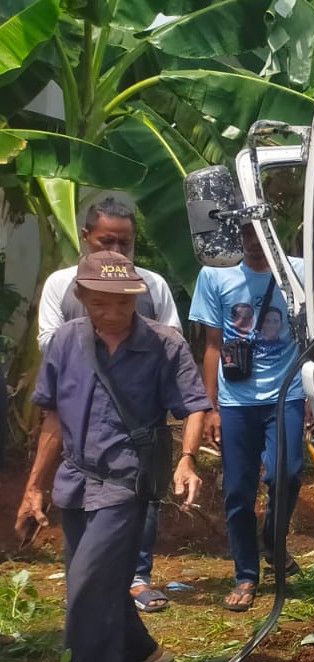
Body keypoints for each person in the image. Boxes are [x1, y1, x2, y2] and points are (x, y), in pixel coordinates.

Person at [14, 251, 210, 662]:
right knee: (97, 578)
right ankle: (142, 654)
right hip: (76, 480)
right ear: (81, 296)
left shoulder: (165, 344)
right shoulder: (65, 342)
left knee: (86, 591)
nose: (113, 313)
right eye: (100, 303)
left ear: (137, 299)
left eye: (124, 303)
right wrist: (34, 488)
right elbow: (53, 420)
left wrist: (187, 459)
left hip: (126, 482)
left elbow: (194, 405)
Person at [37, 197, 182, 614]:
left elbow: (169, 340)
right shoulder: (60, 285)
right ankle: (96, 587)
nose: (117, 252)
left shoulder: (152, 285)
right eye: (106, 241)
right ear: (85, 237)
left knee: (140, 495)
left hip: (139, 415)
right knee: (81, 500)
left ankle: (137, 577)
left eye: (126, 243)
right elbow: (50, 341)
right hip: (81, 413)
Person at [189, 223, 305, 612]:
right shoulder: (215, 276)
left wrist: (312, 397)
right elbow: (212, 345)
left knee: (285, 474)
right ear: (236, 236)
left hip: (286, 394)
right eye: (246, 234)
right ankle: (246, 574)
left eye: (261, 232)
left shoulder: (299, 273)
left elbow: (311, 336)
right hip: (236, 401)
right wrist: (211, 408)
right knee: (238, 492)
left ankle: (273, 541)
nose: (254, 243)